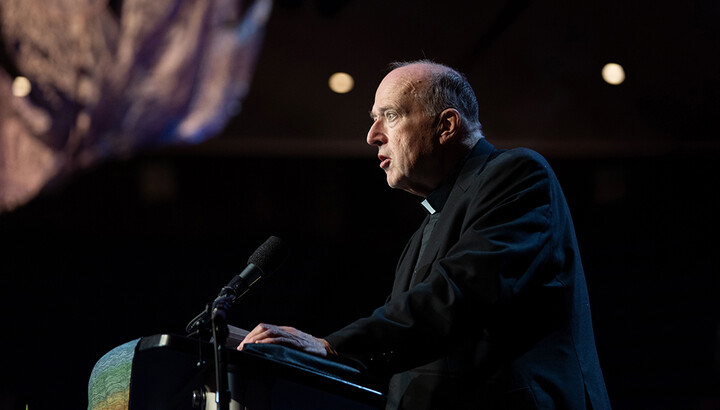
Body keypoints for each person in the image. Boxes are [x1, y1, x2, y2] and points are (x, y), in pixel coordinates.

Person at [239, 60, 611, 409]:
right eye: (373, 119)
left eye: (390, 115)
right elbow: (402, 354)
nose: (372, 136)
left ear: (446, 125)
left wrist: (330, 345)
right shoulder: (427, 226)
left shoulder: (517, 174)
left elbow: (460, 293)